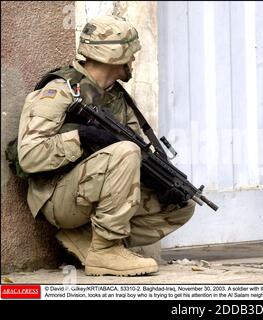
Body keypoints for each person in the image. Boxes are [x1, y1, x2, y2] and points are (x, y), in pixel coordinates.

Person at [17, 15, 195, 276]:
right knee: (126, 151)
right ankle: (106, 251)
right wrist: (81, 137)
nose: (133, 60)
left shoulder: (117, 99)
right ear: (115, 55)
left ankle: (89, 238)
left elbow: (139, 155)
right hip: (56, 195)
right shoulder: (61, 90)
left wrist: (161, 181)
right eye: (130, 53)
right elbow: (29, 156)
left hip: (91, 191)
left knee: (182, 204)